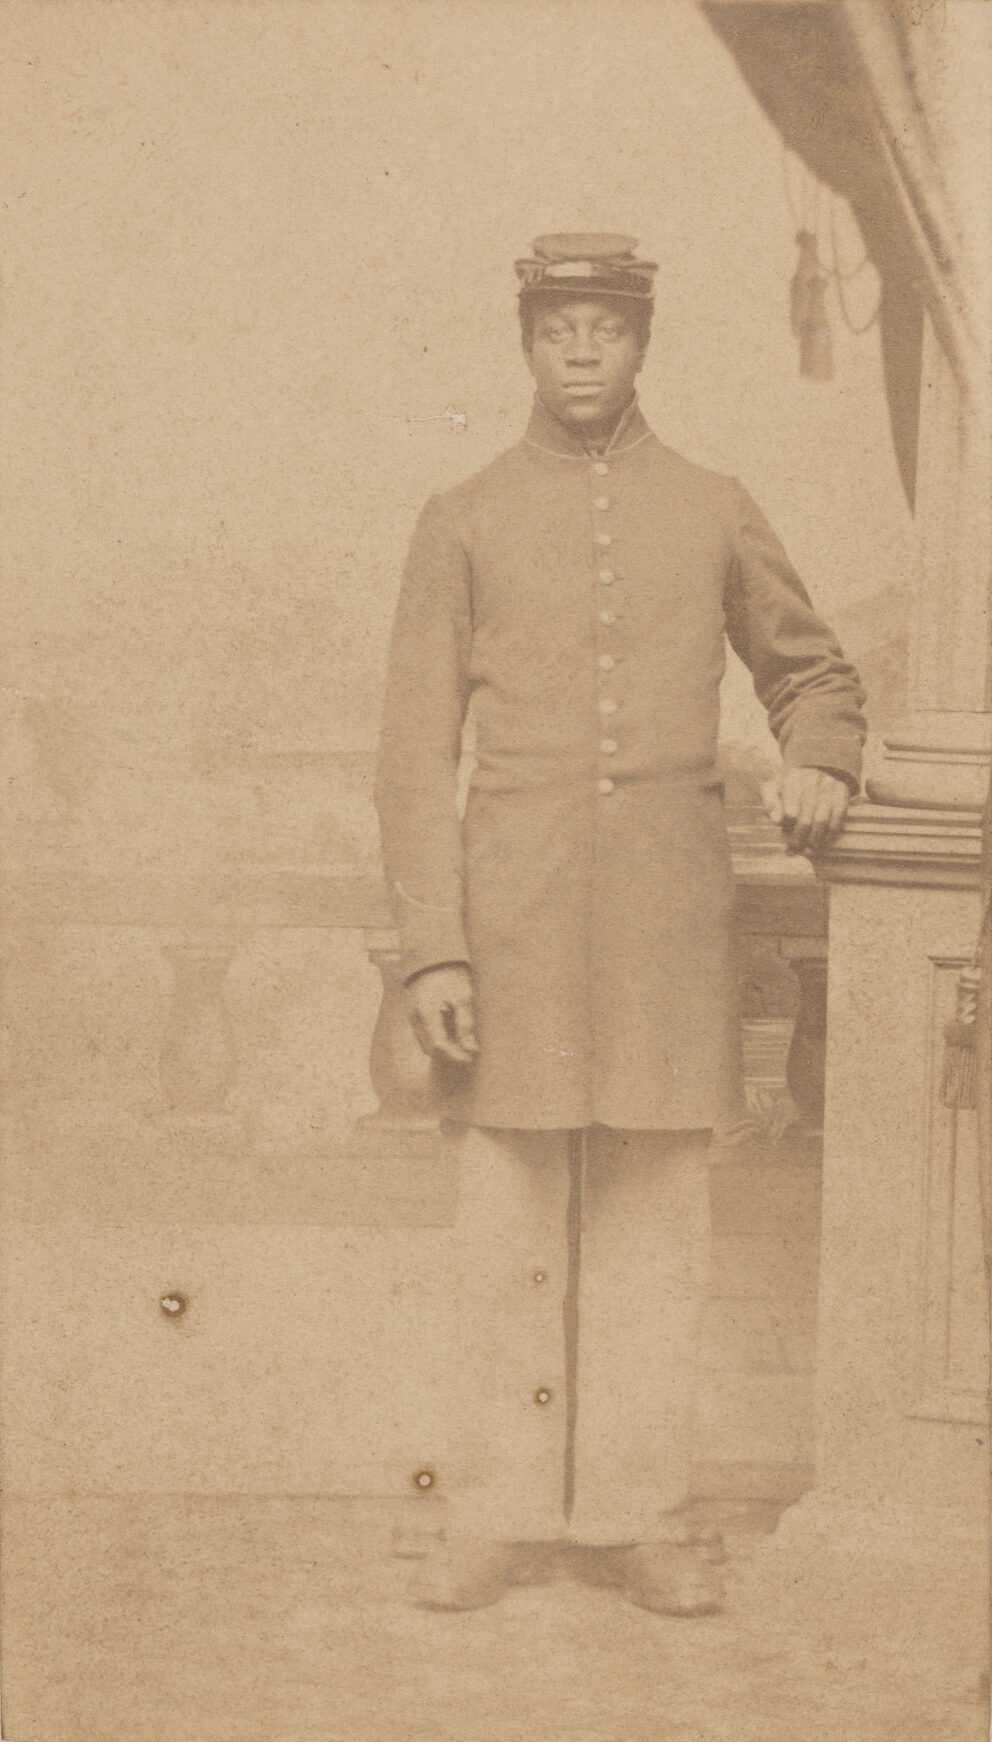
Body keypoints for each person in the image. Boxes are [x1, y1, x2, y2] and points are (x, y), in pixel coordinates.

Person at [374, 234, 866, 1616]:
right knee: (507, 1230)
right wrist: (437, 946)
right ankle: (497, 1509)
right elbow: (413, 758)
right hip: (510, 928)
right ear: (524, 341)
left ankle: (644, 1513)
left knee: (657, 1231)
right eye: (558, 327)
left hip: (665, 923)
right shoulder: (460, 517)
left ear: (644, 341)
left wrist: (820, 749)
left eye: (606, 326)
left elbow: (813, 668)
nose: (582, 350)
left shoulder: (712, 506)